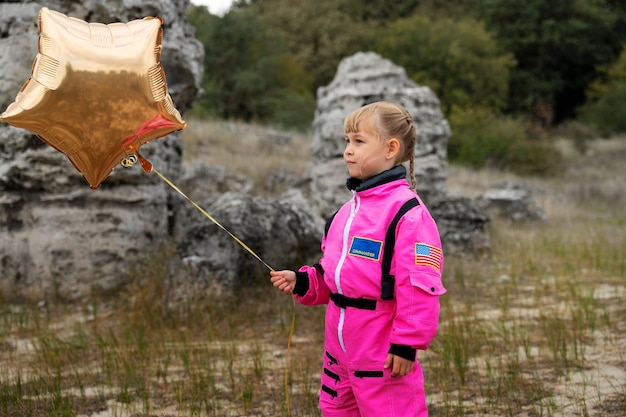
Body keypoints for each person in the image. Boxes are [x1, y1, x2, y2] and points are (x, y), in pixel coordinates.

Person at [270, 101, 446, 417]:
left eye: (359, 142)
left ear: (391, 148)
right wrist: (302, 281)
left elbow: (420, 286)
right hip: (338, 353)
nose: (348, 151)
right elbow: (332, 274)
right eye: (347, 141)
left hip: (381, 354)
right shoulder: (345, 212)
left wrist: (406, 344)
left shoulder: (408, 214)